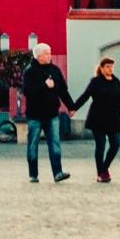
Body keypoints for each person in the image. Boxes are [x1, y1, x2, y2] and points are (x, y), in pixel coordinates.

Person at [71, 57, 120, 183]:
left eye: (112, 66)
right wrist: (73, 108)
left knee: (116, 144)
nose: (110, 69)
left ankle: (104, 168)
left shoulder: (116, 81)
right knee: (101, 146)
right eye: (108, 66)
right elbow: (85, 96)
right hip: (98, 118)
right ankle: (100, 173)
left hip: (114, 119)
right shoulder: (96, 82)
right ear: (102, 68)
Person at [20, 42, 74, 185]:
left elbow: (62, 90)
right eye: (47, 53)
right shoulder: (29, 72)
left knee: (55, 144)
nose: (50, 55)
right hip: (34, 116)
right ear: (38, 56)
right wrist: (44, 86)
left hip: (52, 115)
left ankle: (57, 173)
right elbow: (27, 91)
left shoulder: (55, 70)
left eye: (50, 52)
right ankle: (33, 174)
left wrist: (70, 106)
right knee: (32, 145)